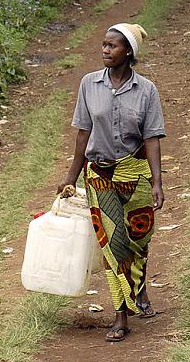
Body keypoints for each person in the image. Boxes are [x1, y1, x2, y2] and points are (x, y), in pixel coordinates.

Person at [57, 22, 165, 342]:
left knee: (138, 240)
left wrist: (158, 182)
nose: (105, 50)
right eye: (104, 45)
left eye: (112, 46)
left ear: (128, 52)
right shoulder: (89, 85)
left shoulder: (146, 90)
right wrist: (70, 178)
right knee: (114, 247)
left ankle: (140, 290)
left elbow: (153, 139)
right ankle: (121, 315)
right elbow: (82, 134)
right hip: (100, 176)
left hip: (135, 173)